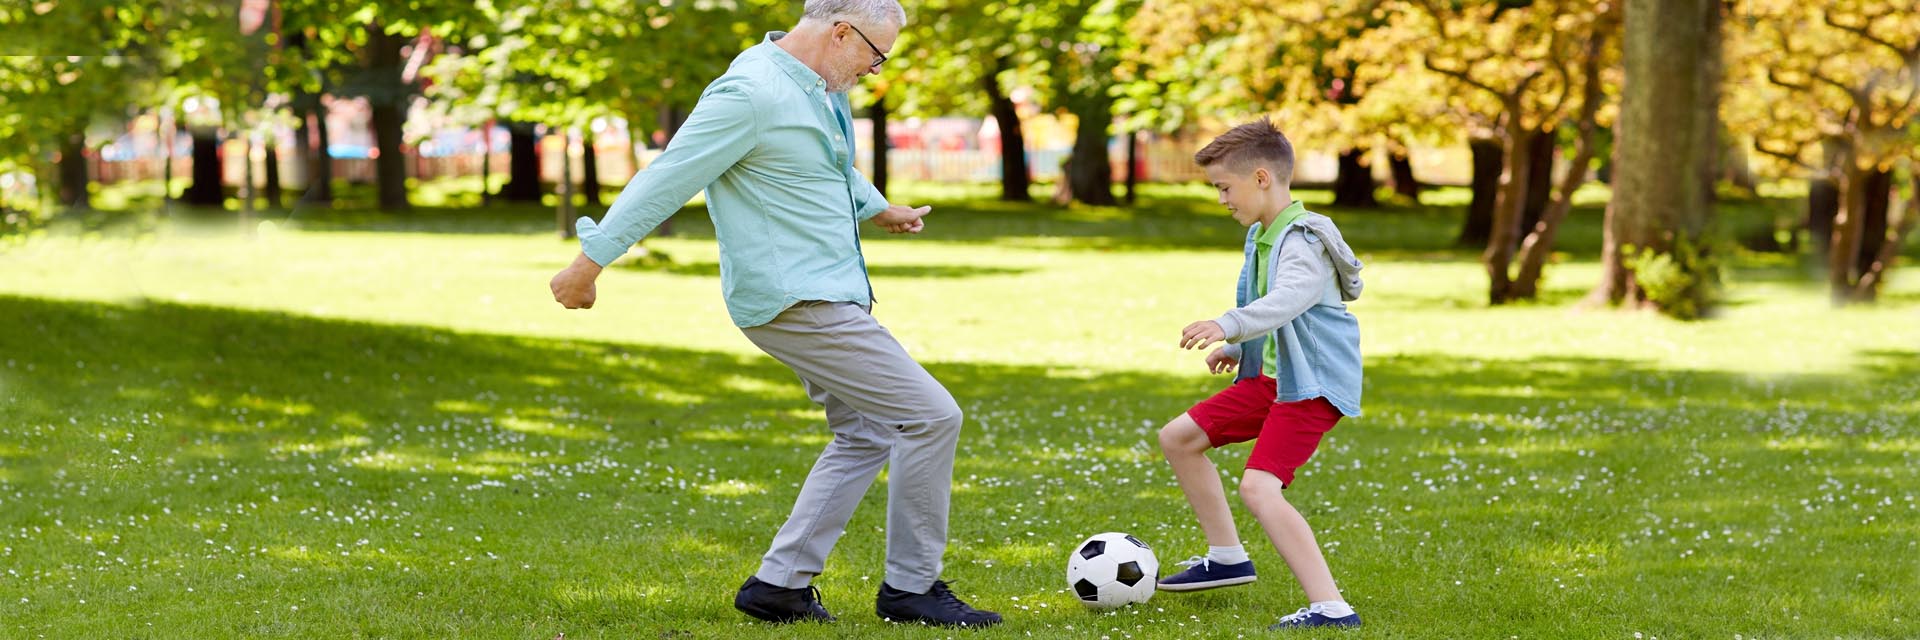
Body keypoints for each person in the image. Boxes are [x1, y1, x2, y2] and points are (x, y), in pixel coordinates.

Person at [546, 0, 999, 628]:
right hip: (796, 299)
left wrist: (876, 207)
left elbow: (827, 162)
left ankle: (778, 587)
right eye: (876, 53)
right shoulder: (750, 92)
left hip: (829, 292)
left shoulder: (814, 87)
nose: (876, 67)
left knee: (865, 432)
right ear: (842, 31)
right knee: (929, 417)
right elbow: (670, 177)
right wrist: (589, 263)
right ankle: (911, 588)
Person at [1154, 117, 1367, 630]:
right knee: (1180, 438)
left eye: (1224, 187)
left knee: (1259, 488)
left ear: (1262, 179)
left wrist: (1226, 324)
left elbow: (1289, 300)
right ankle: (1227, 557)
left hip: (1310, 387)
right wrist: (1238, 345)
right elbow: (1272, 312)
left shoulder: (1302, 241)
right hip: (1275, 379)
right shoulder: (1262, 234)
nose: (1222, 198)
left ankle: (1332, 608)